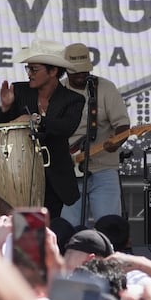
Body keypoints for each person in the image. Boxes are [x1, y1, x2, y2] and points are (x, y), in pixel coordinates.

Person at [0, 38, 83, 221]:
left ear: (53, 71)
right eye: (28, 69)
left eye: (34, 69)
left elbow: (66, 127)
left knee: (50, 228)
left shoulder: (73, 99)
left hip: (55, 177)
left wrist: (37, 120)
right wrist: (5, 108)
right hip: (18, 173)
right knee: (18, 226)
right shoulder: (19, 91)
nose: (29, 74)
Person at [61, 42, 132, 227]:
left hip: (104, 169)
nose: (81, 75)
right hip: (67, 172)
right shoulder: (57, 92)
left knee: (109, 228)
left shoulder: (105, 88)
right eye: (76, 71)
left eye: (84, 70)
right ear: (66, 69)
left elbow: (123, 125)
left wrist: (116, 142)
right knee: (69, 228)